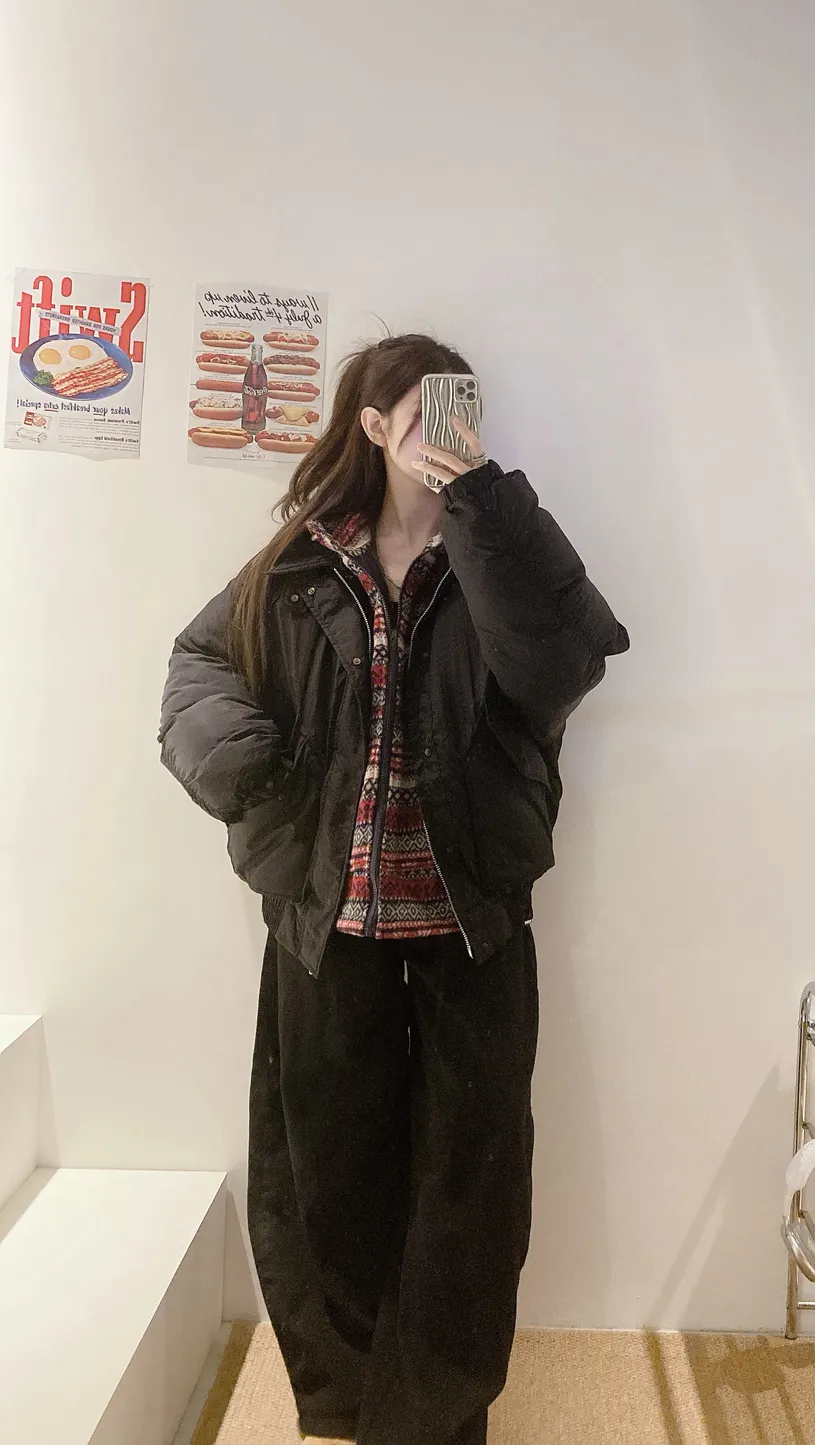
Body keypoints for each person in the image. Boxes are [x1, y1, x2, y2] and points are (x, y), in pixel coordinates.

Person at [157, 332, 630, 1443]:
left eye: (463, 410)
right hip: (331, 920)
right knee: (326, 1171)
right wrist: (257, 779)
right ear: (372, 426)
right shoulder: (305, 561)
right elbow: (197, 666)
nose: (446, 434)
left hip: (472, 918)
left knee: (472, 1185)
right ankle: (353, 1404)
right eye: (423, 416)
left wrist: (483, 503)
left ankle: (437, 1417)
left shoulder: (494, 546)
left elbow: (564, 663)